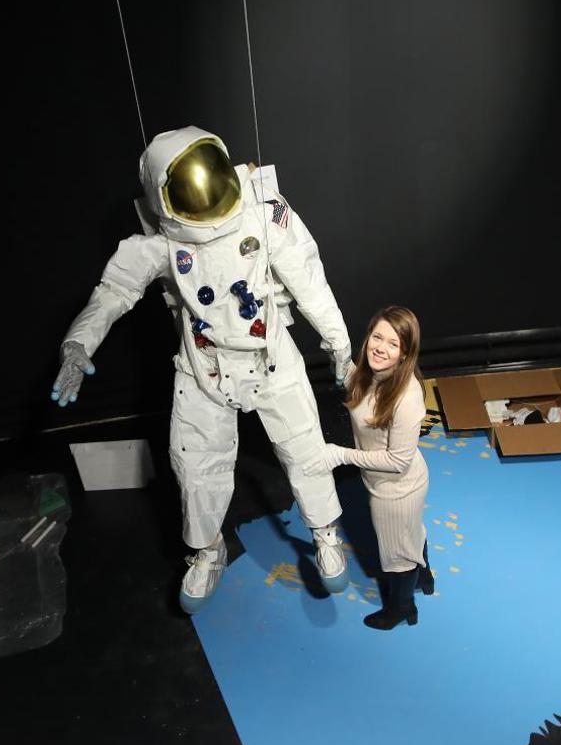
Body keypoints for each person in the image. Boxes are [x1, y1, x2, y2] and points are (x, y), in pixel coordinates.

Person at [52, 126, 356, 614]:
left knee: (305, 450)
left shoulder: (264, 215)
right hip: (203, 368)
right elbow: (114, 292)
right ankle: (207, 551)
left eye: (212, 180)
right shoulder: (161, 245)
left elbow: (309, 279)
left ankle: (325, 533)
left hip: (270, 356)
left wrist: (339, 345)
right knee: (195, 469)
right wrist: (77, 343)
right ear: (163, 198)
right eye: (190, 191)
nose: (207, 199)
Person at [323, 306, 434, 630]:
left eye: (393, 343)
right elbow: (356, 385)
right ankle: (424, 577)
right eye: (377, 337)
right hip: (388, 483)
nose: (381, 348)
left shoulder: (406, 397)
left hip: (396, 490)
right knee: (412, 534)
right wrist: (337, 355)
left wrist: (342, 455)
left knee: (397, 556)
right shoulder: (371, 375)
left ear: (405, 354)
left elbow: (397, 462)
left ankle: (402, 608)